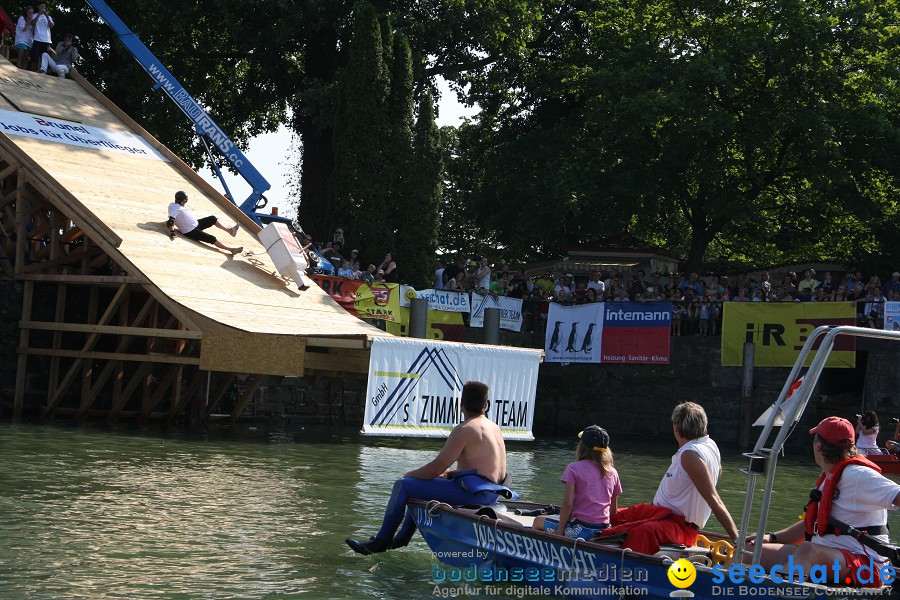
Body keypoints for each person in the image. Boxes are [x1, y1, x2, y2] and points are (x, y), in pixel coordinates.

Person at [345, 381, 516, 555]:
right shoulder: (495, 428)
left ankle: (380, 542)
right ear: (485, 405)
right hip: (492, 495)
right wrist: (454, 474)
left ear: (461, 403)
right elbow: (491, 471)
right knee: (422, 486)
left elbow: (435, 469)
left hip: (475, 495)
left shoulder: (464, 429)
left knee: (404, 485)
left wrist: (409, 475)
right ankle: (401, 539)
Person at [749, 417, 900, 588]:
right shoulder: (830, 477)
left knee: (807, 551)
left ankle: (777, 593)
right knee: (750, 550)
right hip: (827, 556)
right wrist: (772, 537)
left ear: (819, 446)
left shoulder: (858, 475)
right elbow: (813, 523)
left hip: (866, 564)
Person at [599, 402, 739, 554]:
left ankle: (626, 570)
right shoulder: (710, 444)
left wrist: (736, 539)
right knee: (611, 515)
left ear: (676, 428)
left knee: (644, 531)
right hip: (658, 512)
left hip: (679, 526)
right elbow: (718, 472)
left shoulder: (690, 455)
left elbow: (714, 499)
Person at [533, 425, 622, 540]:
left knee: (537, 521)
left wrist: (560, 532)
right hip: (603, 530)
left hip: (580, 530)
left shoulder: (573, 468)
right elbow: (613, 511)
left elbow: (567, 505)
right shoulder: (613, 472)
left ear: (582, 446)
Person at [166, 190, 242, 254]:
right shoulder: (175, 208)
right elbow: (171, 221)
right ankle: (231, 250)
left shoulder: (175, 205)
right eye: (184, 200)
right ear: (179, 200)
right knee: (211, 238)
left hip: (196, 224)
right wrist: (172, 233)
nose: (185, 202)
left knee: (212, 218)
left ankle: (230, 231)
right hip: (190, 231)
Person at [29, 2, 52, 72]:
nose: (43, 8)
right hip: (37, 39)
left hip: (46, 41)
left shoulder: (49, 17)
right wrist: (39, 14)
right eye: (41, 6)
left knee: (44, 59)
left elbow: (51, 25)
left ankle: (42, 74)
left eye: (44, 7)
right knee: (34, 58)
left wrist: (47, 16)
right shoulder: (34, 15)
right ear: (38, 7)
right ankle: (32, 72)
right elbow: (32, 23)